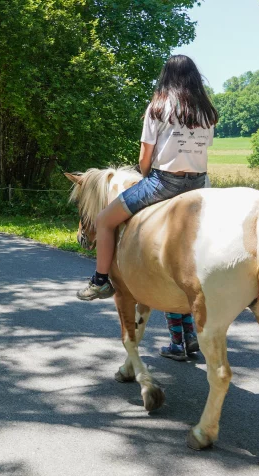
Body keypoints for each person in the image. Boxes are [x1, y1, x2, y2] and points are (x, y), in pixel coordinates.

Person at [75, 55, 218, 357]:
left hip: (165, 182)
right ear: (195, 78)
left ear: (166, 77)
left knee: (103, 220)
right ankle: (188, 328)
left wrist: (146, 176)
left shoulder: (157, 107)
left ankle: (101, 280)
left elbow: (144, 158)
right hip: (202, 186)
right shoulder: (207, 112)